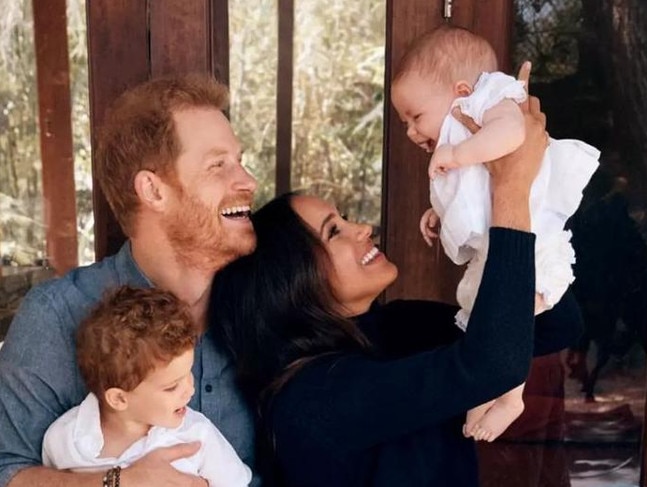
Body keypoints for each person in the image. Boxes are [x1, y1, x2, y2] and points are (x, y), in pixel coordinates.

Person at [209, 83, 584, 486]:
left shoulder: (397, 327)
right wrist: (510, 189)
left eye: (345, 217)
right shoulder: (313, 398)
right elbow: (493, 366)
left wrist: (489, 216)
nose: (363, 229)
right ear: (291, 282)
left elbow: (553, 326)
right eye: (334, 231)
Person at [0, 74, 260, 486]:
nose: (247, 181)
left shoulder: (263, 303)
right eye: (218, 165)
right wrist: (115, 483)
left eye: (240, 160)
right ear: (153, 191)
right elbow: (4, 468)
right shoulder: (56, 315)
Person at [390, 24, 599, 442]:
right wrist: (439, 211)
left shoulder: (493, 100)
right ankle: (488, 389)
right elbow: (476, 191)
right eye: (404, 122)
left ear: (462, 90)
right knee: (481, 314)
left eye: (416, 116)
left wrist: (457, 152)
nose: (412, 132)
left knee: (510, 317)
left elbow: (513, 135)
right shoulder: (463, 130)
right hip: (501, 242)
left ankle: (510, 396)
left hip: (533, 240)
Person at [42, 286, 252, 487]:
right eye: (171, 387)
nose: (190, 390)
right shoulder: (65, 439)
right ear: (119, 398)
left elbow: (236, 483)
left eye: (188, 374)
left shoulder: (196, 434)